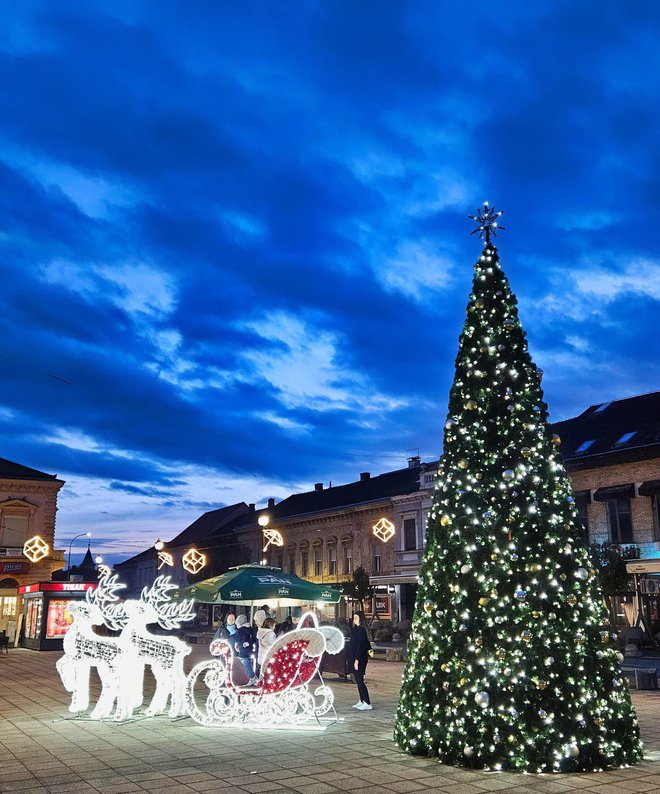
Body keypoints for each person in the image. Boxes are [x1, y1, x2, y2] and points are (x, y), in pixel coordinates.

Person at [347, 611, 372, 710]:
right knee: (358, 680)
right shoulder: (355, 630)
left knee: (360, 680)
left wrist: (357, 660)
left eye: (357, 618)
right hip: (355, 657)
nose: (355, 620)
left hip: (360, 658)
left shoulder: (361, 630)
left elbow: (360, 646)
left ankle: (367, 702)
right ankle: (362, 700)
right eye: (354, 618)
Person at [234, 614, 258, 685]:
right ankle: (253, 677)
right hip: (250, 650)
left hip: (243, 651)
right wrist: (248, 643)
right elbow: (253, 639)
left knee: (246, 663)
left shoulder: (240, 630)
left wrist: (230, 638)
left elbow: (236, 638)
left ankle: (252, 677)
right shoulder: (250, 628)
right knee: (248, 663)